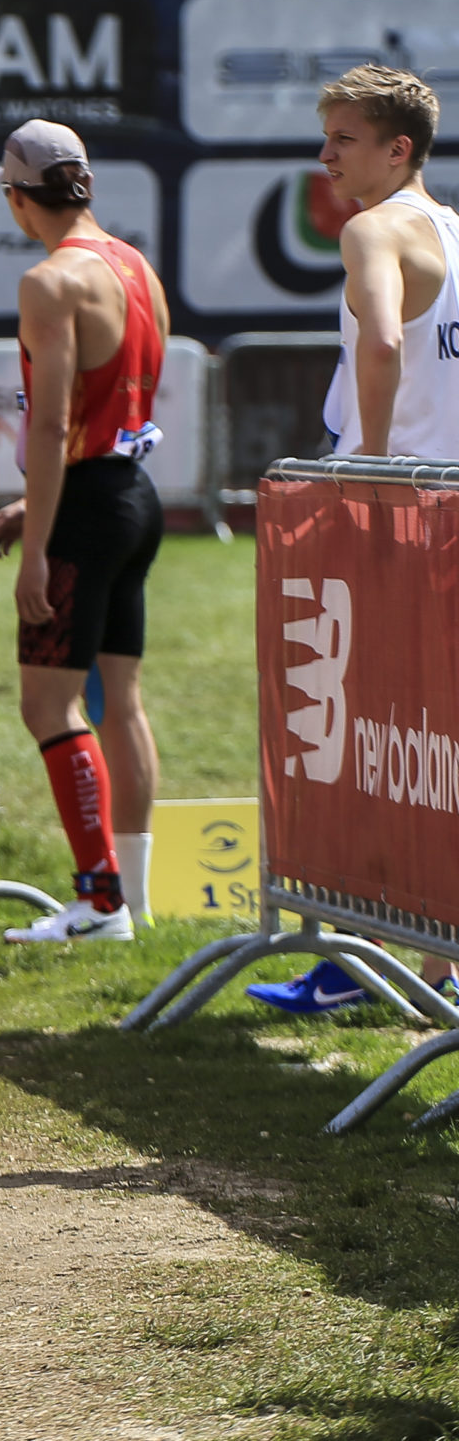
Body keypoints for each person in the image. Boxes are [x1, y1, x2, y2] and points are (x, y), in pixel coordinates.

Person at [254, 66, 459, 1013]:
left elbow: (381, 343)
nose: (324, 155)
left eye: (342, 139)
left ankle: (360, 958)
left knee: (371, 746)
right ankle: (421, 960)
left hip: (399, 514)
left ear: (397, 148)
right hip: (442, 509)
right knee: (427, 749)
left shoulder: (373, 230)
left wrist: (370, 471)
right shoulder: (452, 229)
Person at [0, 121, 165, 944]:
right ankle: (135, 897)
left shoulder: (49, 281)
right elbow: (109, 410)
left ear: (19, 199)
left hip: (87, 508)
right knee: (119, 701)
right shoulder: (135, 264)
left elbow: (51, 426)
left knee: (47, 705)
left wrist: (38, 548)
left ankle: (100, 900)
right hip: (132, 491)